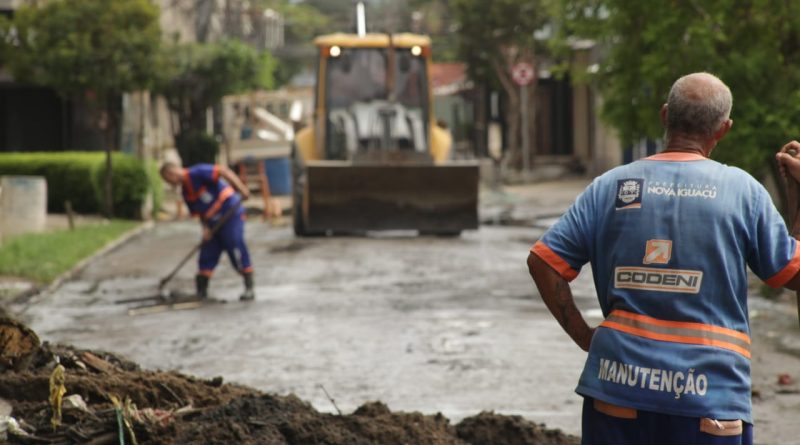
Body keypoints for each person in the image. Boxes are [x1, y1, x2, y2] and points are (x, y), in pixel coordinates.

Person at [527, 72, 800, 445]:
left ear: (665, 115)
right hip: (710, 397)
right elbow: (791, 274)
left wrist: (586, 338)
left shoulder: (611, 186)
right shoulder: (743, 192)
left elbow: (544, 262)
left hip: (616, 390)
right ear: (723, 128)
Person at [160, 162, 256, 301]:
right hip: (212, 223)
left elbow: (223, 171)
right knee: (207, 251)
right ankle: (202, 291)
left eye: (169, 180)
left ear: (172, 173)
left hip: (230, 214)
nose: (171, 184)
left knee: (234, 244)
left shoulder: (197, 172)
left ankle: (249, 288)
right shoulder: (186, 192)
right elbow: (200, 213)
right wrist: (205, 229)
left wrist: (242, 189)